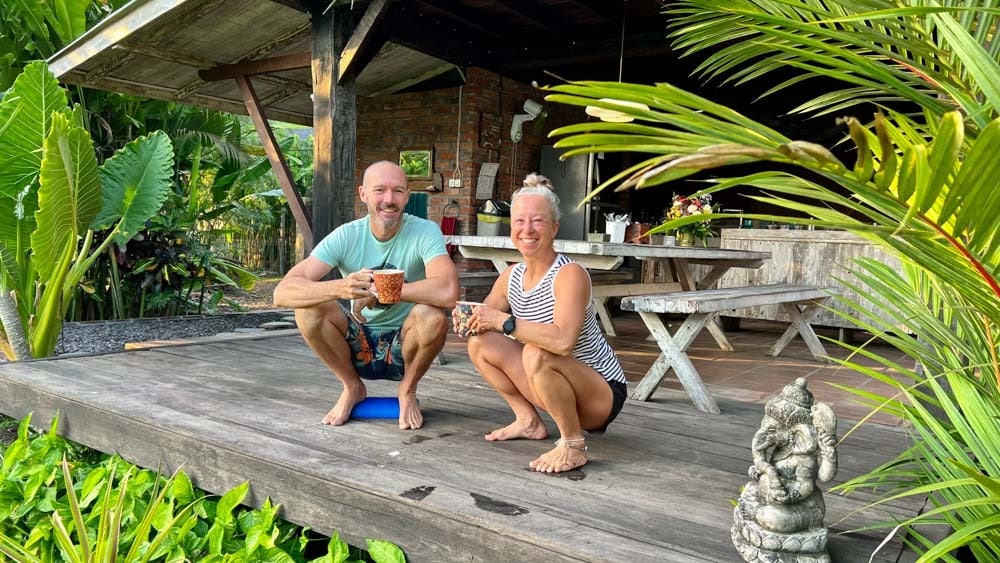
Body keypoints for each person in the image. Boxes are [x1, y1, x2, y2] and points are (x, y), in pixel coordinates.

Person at [456, 173, 627, 473]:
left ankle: (573, 445)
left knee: (536, 351)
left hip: (600, 393)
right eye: (519, 221)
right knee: (480, 343)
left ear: (555, 228)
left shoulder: (569, 274)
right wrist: (466, 318)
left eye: (538, 221)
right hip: (549, 382)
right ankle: (527, 420)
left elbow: (563, 341)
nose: (527, 230)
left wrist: (504, 322)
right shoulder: (511, 276)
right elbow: (484, 320)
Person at [274, 161, 458, 430]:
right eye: (380, 190)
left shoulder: (424, 231)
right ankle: (351, 386)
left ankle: (407, 390)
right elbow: (282, 293)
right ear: (363, 194)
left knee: (432, 315)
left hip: (404, 342)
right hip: (358, 342)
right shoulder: (347, 235)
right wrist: (340, 288)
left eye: (397, 191)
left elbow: (448, 291)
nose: (389, 200)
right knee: (310, 309)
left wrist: (380, 291)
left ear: (407, 196)